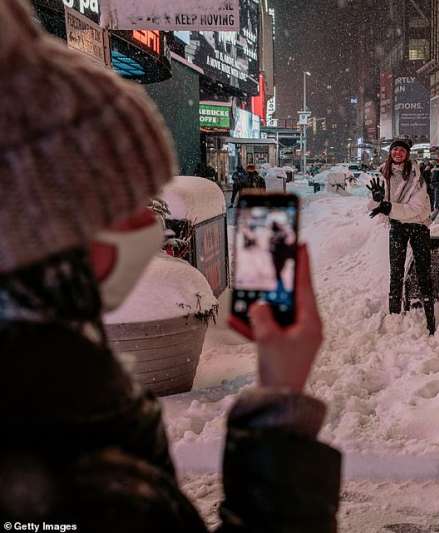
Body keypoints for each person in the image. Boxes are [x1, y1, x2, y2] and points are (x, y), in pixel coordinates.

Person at [0, 2, 341, 531]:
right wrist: (280, 406)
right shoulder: (77, 479)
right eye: (133, 199)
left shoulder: (70, 394)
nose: (151, 222)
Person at [365, 137, 436, 335]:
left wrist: (388, 207)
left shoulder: (416, 175)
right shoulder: (383, 173)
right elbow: (373, 206)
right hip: (397, 227)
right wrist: (377, 200)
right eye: (395, 149)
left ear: (407, 154)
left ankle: (430, 317)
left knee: (423, 271)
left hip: (418, 226)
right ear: (390, 152)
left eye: (402, 150)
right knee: (395, 272)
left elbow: (416, 208)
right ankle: (394, 315)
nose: (398, 153)